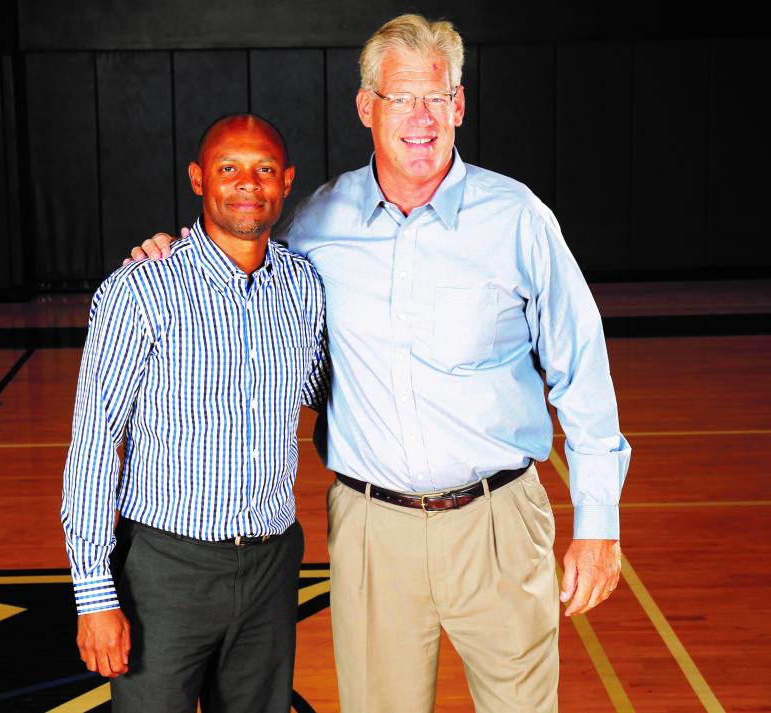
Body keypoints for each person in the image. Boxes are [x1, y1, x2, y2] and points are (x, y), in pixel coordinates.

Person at [129, 14, 630, 713]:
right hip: (373, 530)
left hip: (499, 523)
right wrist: (169, 254)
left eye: (436, 97)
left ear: (458, 105)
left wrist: (599, 523)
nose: (420, 118)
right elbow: (238, 257)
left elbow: (583, 367)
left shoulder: (517, 220)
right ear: (368, 108)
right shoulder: (317, 226)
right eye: (401, 98)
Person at [61, 114, 329, 713]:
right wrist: (93, 594)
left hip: (270, 560)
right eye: (228, 168)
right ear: (198, 179)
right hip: (165, 567)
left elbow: (324, 388)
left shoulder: (304, 286)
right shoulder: (142, 289)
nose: (247, 184)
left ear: (286, 181)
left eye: (263, 169)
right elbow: (96, 443)